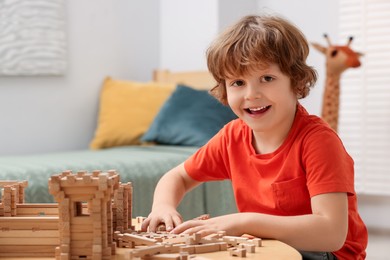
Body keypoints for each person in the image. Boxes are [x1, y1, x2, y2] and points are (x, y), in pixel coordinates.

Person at [141, 14, 368, 259]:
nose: (252, 94)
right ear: (224, 90)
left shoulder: (319, 141)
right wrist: (162, 207)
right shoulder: (231, 137)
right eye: (238, 82)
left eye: (267, 78)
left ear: (297, 82)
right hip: (267, 244)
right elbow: (179, 177)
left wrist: (244, 222)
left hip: (327, 253)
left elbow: (331, 234)